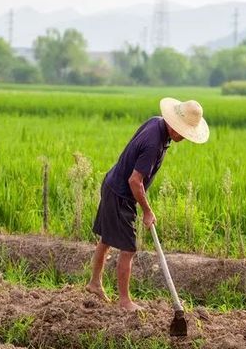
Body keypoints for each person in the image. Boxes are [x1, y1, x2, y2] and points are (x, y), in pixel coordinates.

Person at [85, 97, 209, 311]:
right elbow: (135, 181)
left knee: (106, 239)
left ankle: (94, 283)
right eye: (185, 133)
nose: (185, 138)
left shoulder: (156, 123)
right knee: (129, 248)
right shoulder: (154, 143)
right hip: (121, 194)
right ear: (175, 125)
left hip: (112, 184)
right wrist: (147, 211)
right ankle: (124, 302)